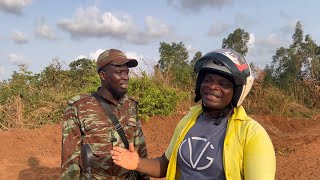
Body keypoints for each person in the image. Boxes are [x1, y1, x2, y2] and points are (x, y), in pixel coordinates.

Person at [110, 49, 276, 179]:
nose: (212, 86)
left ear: (237, 91)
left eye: (223, 83)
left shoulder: (252, 134)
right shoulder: (188, 121)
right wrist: (137, 163)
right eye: (208, 80)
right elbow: (167, 165)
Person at [61, 49, 149, 179]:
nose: (126, 77)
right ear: (103, 75)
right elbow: (70, 160)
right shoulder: (78, 106)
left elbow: (140, 149)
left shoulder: (130, 105)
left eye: (126, 72)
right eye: (119, 72)